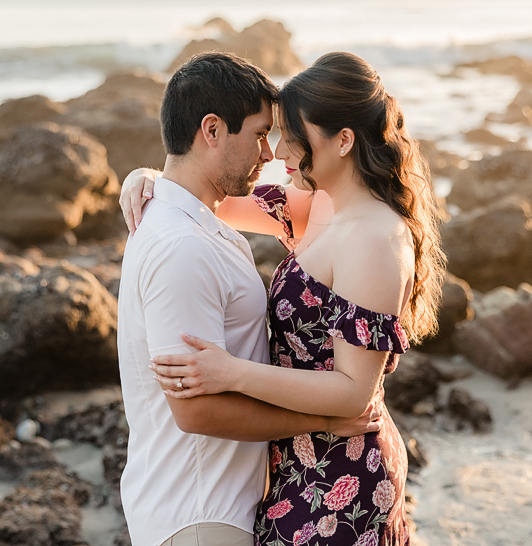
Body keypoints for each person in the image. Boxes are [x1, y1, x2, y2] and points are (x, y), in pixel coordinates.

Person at [122, 51, 445, 546]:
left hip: (342, 473)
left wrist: (232, 373)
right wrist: (145, 178)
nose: (279, 151)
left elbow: (354, 392)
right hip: (292, 466)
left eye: (294, 135)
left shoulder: (375, 238)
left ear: (342, 140)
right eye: (271, 134)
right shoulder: (313, 208)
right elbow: (210, 192)